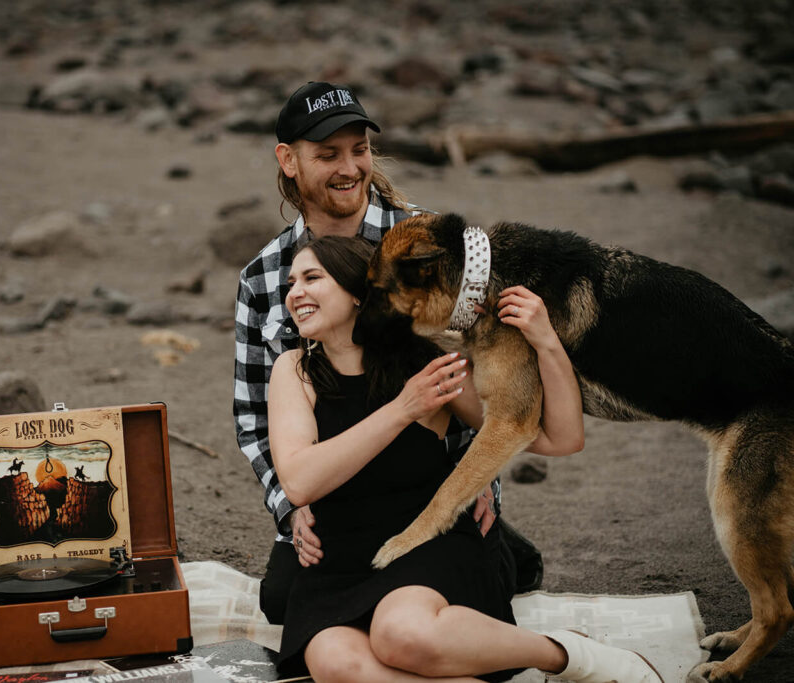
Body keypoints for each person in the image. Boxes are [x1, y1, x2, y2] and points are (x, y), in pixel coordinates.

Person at [268, 235, 661, 683]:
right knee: (334, 663)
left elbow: (560, 438)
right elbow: (299, 482)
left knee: (401, 635)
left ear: (359, 292)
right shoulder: (295, 370)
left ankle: (565, 652)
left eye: (311, 278)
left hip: (425, 546)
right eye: (291, 282)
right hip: (339, 561)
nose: (294, 292)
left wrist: (548, 343)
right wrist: (403, 410)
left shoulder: (428, 360)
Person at [233, 81, 540, 624]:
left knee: (463, 574)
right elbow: (254, 415)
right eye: (327, 155)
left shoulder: (427, 241)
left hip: (426, 478)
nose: (349, 168)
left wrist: (479, 485)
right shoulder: (264, 277)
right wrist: (291, 507)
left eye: (360, 150)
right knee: (280, 600)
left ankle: (481, 544)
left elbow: (485, 375)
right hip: (336, 496)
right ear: (288, 161)